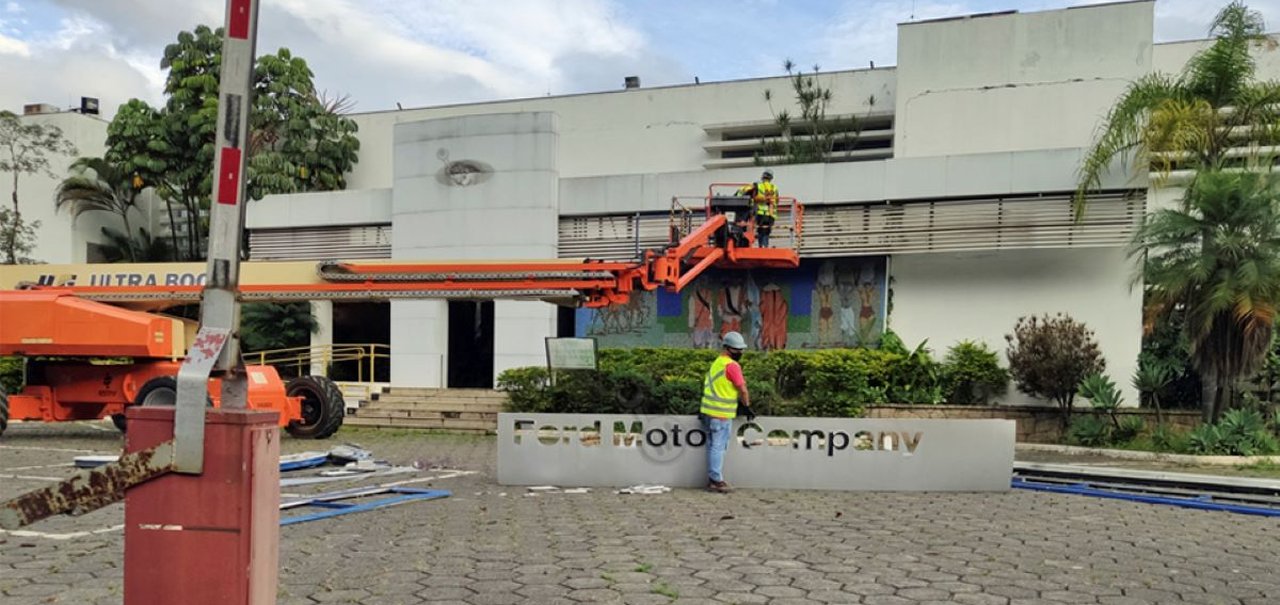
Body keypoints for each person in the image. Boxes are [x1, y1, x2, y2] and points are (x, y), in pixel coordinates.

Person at [699, 331, 755, 493]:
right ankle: (716, 481)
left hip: (708, 412)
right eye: (738, 350)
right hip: (721, 415)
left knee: (711, 445)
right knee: (718, 446)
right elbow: (742, 389)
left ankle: (712, 479)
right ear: (729, 349)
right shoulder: (732, 366)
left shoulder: (717, 363)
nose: (741, 353)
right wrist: (747, 405)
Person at [754, 170, 779, 247]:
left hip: (760, 213)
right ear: (771, 178)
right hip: (771, 214)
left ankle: (761, 246)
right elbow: (777, 200)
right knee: (767, 231)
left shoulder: (758, 186)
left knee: (760, 230)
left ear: (763, 177)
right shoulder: (774, 187)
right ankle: (765, 246)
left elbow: (754, 198)